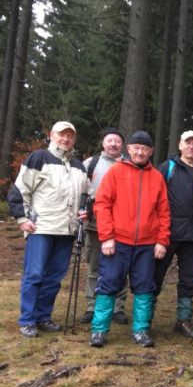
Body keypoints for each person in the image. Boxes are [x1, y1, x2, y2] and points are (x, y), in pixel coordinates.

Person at [8, 121, 90, 338]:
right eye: (61, 135)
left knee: (54, 277)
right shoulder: (39, 158)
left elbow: (86, 196)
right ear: (52, 135)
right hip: (41, 228)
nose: (66, 139)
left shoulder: (79, 166)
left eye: (70, 136)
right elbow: (19, 189)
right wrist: (22, 218)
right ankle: (27, 319)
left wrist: (85, 210)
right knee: (34, 275)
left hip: (67, 230)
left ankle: (43, 316)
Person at [89, 131, 170, 348]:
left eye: (145, 148)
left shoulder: (157, 177)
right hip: (118, 241)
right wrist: (106, 237)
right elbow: (102, 204)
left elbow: (164, 212)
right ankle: (99, 330)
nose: (140, 151)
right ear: (129, 149)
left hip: (146, 244)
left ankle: (141, 330)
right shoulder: (116, 172)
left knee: (144, 286)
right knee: (108, 283)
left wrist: (162, 240)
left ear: (151, 151)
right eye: (136, 147)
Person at [154, 130, 193, 339]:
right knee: (156, 276)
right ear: (180, 145)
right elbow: (155, 198)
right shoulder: (167, 168)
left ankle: (183, 320)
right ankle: (144, 319)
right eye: (188, 143)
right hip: (167, 234)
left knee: (189, 279)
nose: (191, 147)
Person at [80, 127, 129, 325]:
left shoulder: (129, 164)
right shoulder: (90, 164)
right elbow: (80, 191)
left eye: (117, 141)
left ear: (122, 145)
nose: (113, 144)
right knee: (94, 266)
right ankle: (92, 305)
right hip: (95, 225)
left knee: (121, 267)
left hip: (122, 226)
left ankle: (118, 307)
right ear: (103, 143)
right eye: (109, 140)